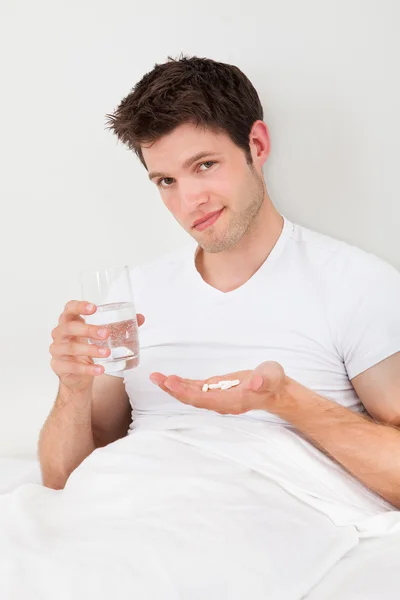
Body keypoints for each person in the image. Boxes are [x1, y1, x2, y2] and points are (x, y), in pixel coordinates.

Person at [40, 55, 400, 597]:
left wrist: (285, 401)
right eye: (165, 179)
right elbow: (63, 480)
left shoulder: (355, 284)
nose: (190, 202)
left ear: (256, 145)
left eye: (205, 165)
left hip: (251, 510)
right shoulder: (132, 296)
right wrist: (71, 389)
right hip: (127, 503)